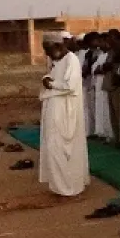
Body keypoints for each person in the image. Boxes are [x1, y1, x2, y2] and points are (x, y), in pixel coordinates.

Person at [38, 32, 91, 197]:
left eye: (48, 49)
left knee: (59, 147)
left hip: (65, 111)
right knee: (53, 147)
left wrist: (51, 84)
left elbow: (70, 85)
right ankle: (59, 186)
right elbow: (52, 77)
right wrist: (47, 79)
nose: (46, 53)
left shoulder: (71, 60)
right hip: (55, 108)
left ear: (57, 46)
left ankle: (68, 188)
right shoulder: (58, 61)